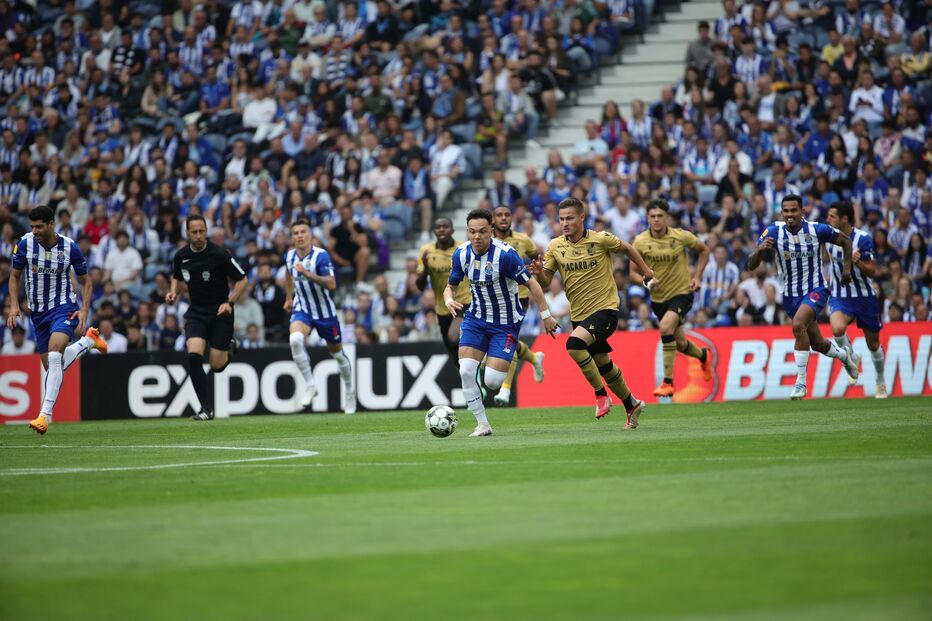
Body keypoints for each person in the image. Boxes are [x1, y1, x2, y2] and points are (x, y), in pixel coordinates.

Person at [528, 197, 653, 427]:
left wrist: (645, 270)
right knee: (604, 366)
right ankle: (632, 404)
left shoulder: (600, 239)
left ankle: (600, 395)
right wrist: (538, 272)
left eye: (569, 218)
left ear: (582, 217)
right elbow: (546, 281)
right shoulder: (556, 246)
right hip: (580, 316)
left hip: (606, 309)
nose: (564, 223)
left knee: (574, 345)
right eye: (561, 219)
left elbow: (627, 248)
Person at [443, 209, 558, 437]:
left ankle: (501, 356)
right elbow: (451, 285)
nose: (477, 237)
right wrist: (448, 299)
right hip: (475, 318)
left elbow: (533, 285)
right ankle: (482, 424)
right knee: (466, 370)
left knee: (493, 382)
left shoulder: (506, 255)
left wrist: (546, 316)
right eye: (472, 232)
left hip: (505, 323)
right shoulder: (461, 254)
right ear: (467, 231)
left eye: (482, 232)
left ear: (491, 231)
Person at [6, 205, 108, 434]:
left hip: (64, 307)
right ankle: (88, 341)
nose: (35, 231)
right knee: (54, 365)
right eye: (32, 226)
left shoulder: (69, 247)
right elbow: (14, 277)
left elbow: (86, 282)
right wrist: (13, 305)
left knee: (54, 354)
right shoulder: (24, 244)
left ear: (51, 224)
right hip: (38, 313)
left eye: (39, 226)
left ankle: (44, 415)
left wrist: (83, 310)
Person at [748, 195, 859, 400]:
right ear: (782, 213)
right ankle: (845, 356)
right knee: (817, 343)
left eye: (794, 210)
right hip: (790, 295)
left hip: (816, 289)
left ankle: (800, 382)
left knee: (798, 325)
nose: (790, 215)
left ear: (802, 212)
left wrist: (846, 269)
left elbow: (846, 241)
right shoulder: (773, 232)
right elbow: (751, 264)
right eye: (786, 211)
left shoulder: (817, 230)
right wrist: (760, 251)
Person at [166, 214, 248, 420]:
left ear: (206, 231)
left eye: (202, 231)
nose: (199, 235)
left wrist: (229, 303)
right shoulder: (181, 256)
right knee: (193, 355)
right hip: (196, 313)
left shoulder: (219, 254)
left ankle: (228, 344)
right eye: (194, 232)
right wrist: (173, 292)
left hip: (220, 313)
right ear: (187, 233)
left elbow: (242, 279)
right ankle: (206, 409)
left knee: (217, 366)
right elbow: (177, 276)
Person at [632, 199, 713, 398]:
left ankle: (668, 383)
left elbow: (704, 250)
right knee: (680, 344)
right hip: (658, 299)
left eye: (660, 216)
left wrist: (697, 277)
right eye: (653, 216)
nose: (657, 220)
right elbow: (633, 273)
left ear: (667, 218)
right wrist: (647, 283)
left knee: (665, 328)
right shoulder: (640, 242)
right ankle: (703, 355)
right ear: (648, 218)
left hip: (682, 293)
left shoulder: (680, 236)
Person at [283, 219, 355, 414]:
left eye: (302, 232)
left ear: (310, 236)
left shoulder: (321, 256)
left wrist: (307, 274)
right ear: (292, 237)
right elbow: (288, 274)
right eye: (295, 232)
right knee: (295, 339)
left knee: (338, 355)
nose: (299, 235)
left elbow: (332, 284)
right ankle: (310, 385)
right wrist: (289, 297)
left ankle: (349, 391)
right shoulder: (289, 256)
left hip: (325, 313)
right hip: (302, 309)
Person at [825, 200, 887, 398]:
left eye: (832, 216)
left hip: (864, 297)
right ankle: (851, 356)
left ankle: (880, 381)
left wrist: (858, 261)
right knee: (837, 329)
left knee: (874, 345)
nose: (828, 219)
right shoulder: (828, 237)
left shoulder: (863, 239)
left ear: (844, 219)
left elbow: (872, 271)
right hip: (841, 295)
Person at [490, 204, 546, 406]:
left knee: (508, 340)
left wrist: (537, 277)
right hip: (493, 298)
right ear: (493, 220)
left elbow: (539, 261)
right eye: (499, 215)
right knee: (498, 342)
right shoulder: (486, 241)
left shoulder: (523, 240)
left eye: (507, 214)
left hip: (517, 297)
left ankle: (505, 389)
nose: (504, 218)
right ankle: (533, 358)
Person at [415, 217, 471, 365]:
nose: (441, 229)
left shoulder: (463, 249)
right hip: (442, 307)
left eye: (445, 226)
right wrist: (426, 268)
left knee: (454, 338)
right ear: (433, 231)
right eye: (438, 227)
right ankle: (469, 377)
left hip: (463, 302)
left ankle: (476, 364)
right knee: (452, 349)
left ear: (452, 230)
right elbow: (419, 286)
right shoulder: (426, 251)